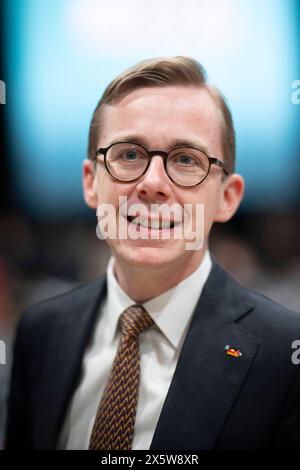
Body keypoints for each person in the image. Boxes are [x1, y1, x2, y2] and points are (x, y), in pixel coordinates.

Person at [5, 56, 300, 450]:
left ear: (227, 198)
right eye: (128, 154)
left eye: (185, 159)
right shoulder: (39, 332)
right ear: (91, 183)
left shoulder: (285, 356)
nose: (153, 183)